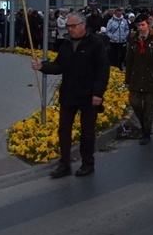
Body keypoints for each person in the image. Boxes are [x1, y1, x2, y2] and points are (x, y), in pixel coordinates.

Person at [31, 12, 110, 178]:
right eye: (68, 26)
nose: (70, 29)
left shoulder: (95, 44)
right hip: (69, 94)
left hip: (89, 96)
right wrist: (42, 66)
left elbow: (103, 70)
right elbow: (59, 66)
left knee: (87, 132)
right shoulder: (66, 44)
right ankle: (64, 164)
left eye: (73, 26)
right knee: (64, 130)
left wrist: (98, 93)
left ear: (83, 25)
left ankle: (87, 163)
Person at [124, 13, 153, 145]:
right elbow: (129, 61)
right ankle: (143, 125)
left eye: (143, 25)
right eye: (138, 25)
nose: (140, 28)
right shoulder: (134, 40)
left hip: (150, 78)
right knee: (135, 103)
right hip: (136, 78)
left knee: (149, 107)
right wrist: (127, 79)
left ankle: (147, 132)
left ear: (148, 25)